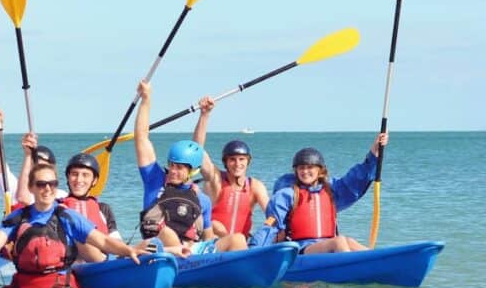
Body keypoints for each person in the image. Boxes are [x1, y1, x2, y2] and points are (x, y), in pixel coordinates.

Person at [0, 162, 147, 288]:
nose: (47, 189)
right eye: (41, 184)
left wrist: (129, 250)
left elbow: (103, 241)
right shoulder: (18, 217)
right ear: (31, 187)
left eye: (52, 184)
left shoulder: (68, 217)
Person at [133, 81, 247, 257]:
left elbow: (208, 238)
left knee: (237, 239)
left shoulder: (202, 200)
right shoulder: (154, 179)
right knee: (167, 233)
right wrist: (146, 99)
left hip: (193, 253)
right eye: (171, 165)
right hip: (162, 250)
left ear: (192, 171)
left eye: (179, 168)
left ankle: (240, 270)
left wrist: (205, 115)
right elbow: (141, 137)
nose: (173, 171)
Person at [250, 135, 387, 254]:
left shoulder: (331, 190)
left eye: (310, 167)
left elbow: (355, 179)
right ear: (296, 171)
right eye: (301, 168)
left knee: (348, 241)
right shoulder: (287, 195)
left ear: (319, 170)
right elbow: (270, 225)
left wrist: (374, 153)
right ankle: (350, 270)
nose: (305, 172)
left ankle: (380, 260)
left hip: (328, 245)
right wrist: (254, 249)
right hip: (301, 249)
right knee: (339, 242)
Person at [192, 96, 270, 237]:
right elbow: (197, 150)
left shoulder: (255, 186)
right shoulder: (215, 179)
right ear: (225, 162)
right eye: (232, 160)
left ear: (248, 161)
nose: (238, 164)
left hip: (242, 244)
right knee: (216, 226)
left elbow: (272, 214)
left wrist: (269, 231)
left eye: (242, 159)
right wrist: (204, 115)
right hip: (214, 242)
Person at [0, 105, 67, 205]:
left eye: (43, 167)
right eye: (34, 166)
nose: (39, 171)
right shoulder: (13, 188)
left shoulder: (61, 195)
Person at [60, 153, 116, 263]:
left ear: (94, 181)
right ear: (68, 177)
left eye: (85, 175)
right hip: (72, 263)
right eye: (74, 174)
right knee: (80, 237)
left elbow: (115, 239)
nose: (79, 180)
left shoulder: (103, 209)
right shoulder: (58, 207)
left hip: (101, 263)